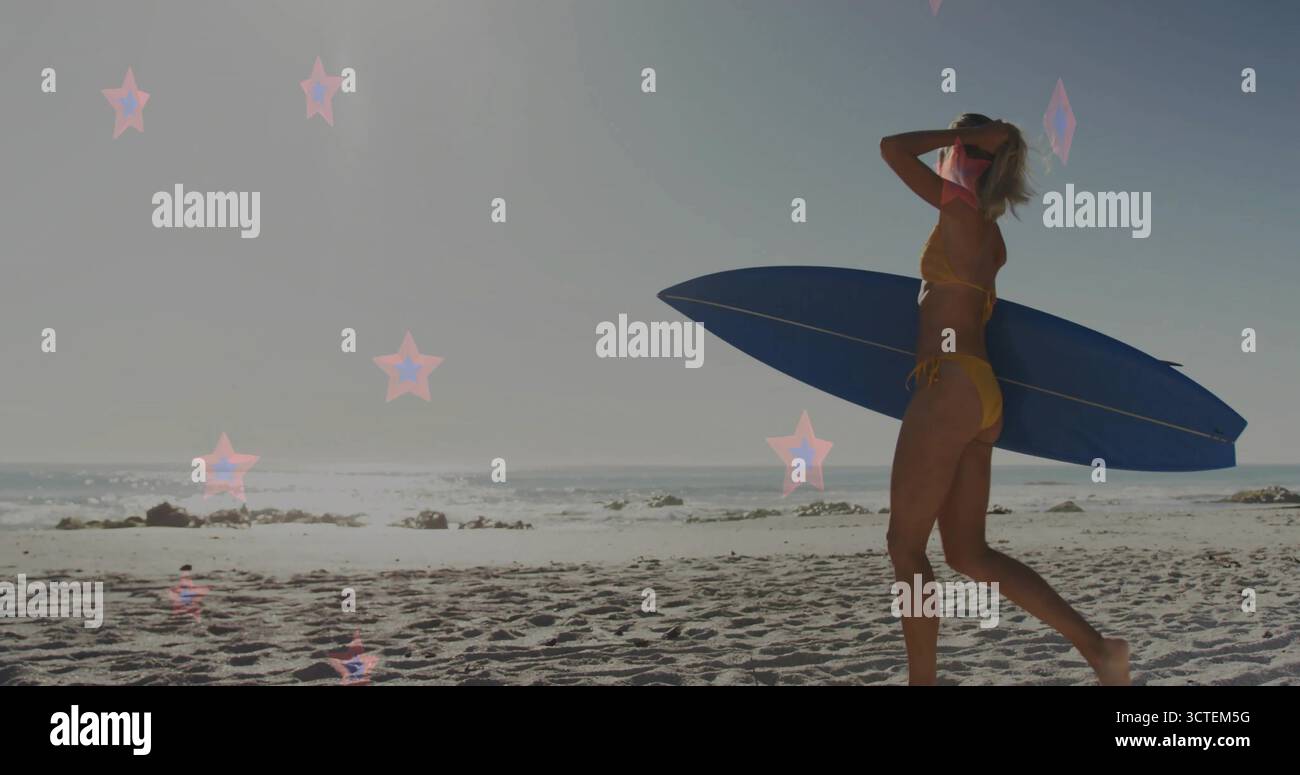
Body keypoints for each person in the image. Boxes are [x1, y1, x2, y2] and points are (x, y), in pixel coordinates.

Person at [879, 114, 1130, 685]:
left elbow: (891, 148)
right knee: (969, 554)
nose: (957, 130)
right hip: (981, 394)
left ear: (971, 155)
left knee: (904, 546)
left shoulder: (959, 208)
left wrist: (956, 137)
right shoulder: (988, 233)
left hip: (949, 384)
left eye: (966, 135)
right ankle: (1101, 651)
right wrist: (971, 138)